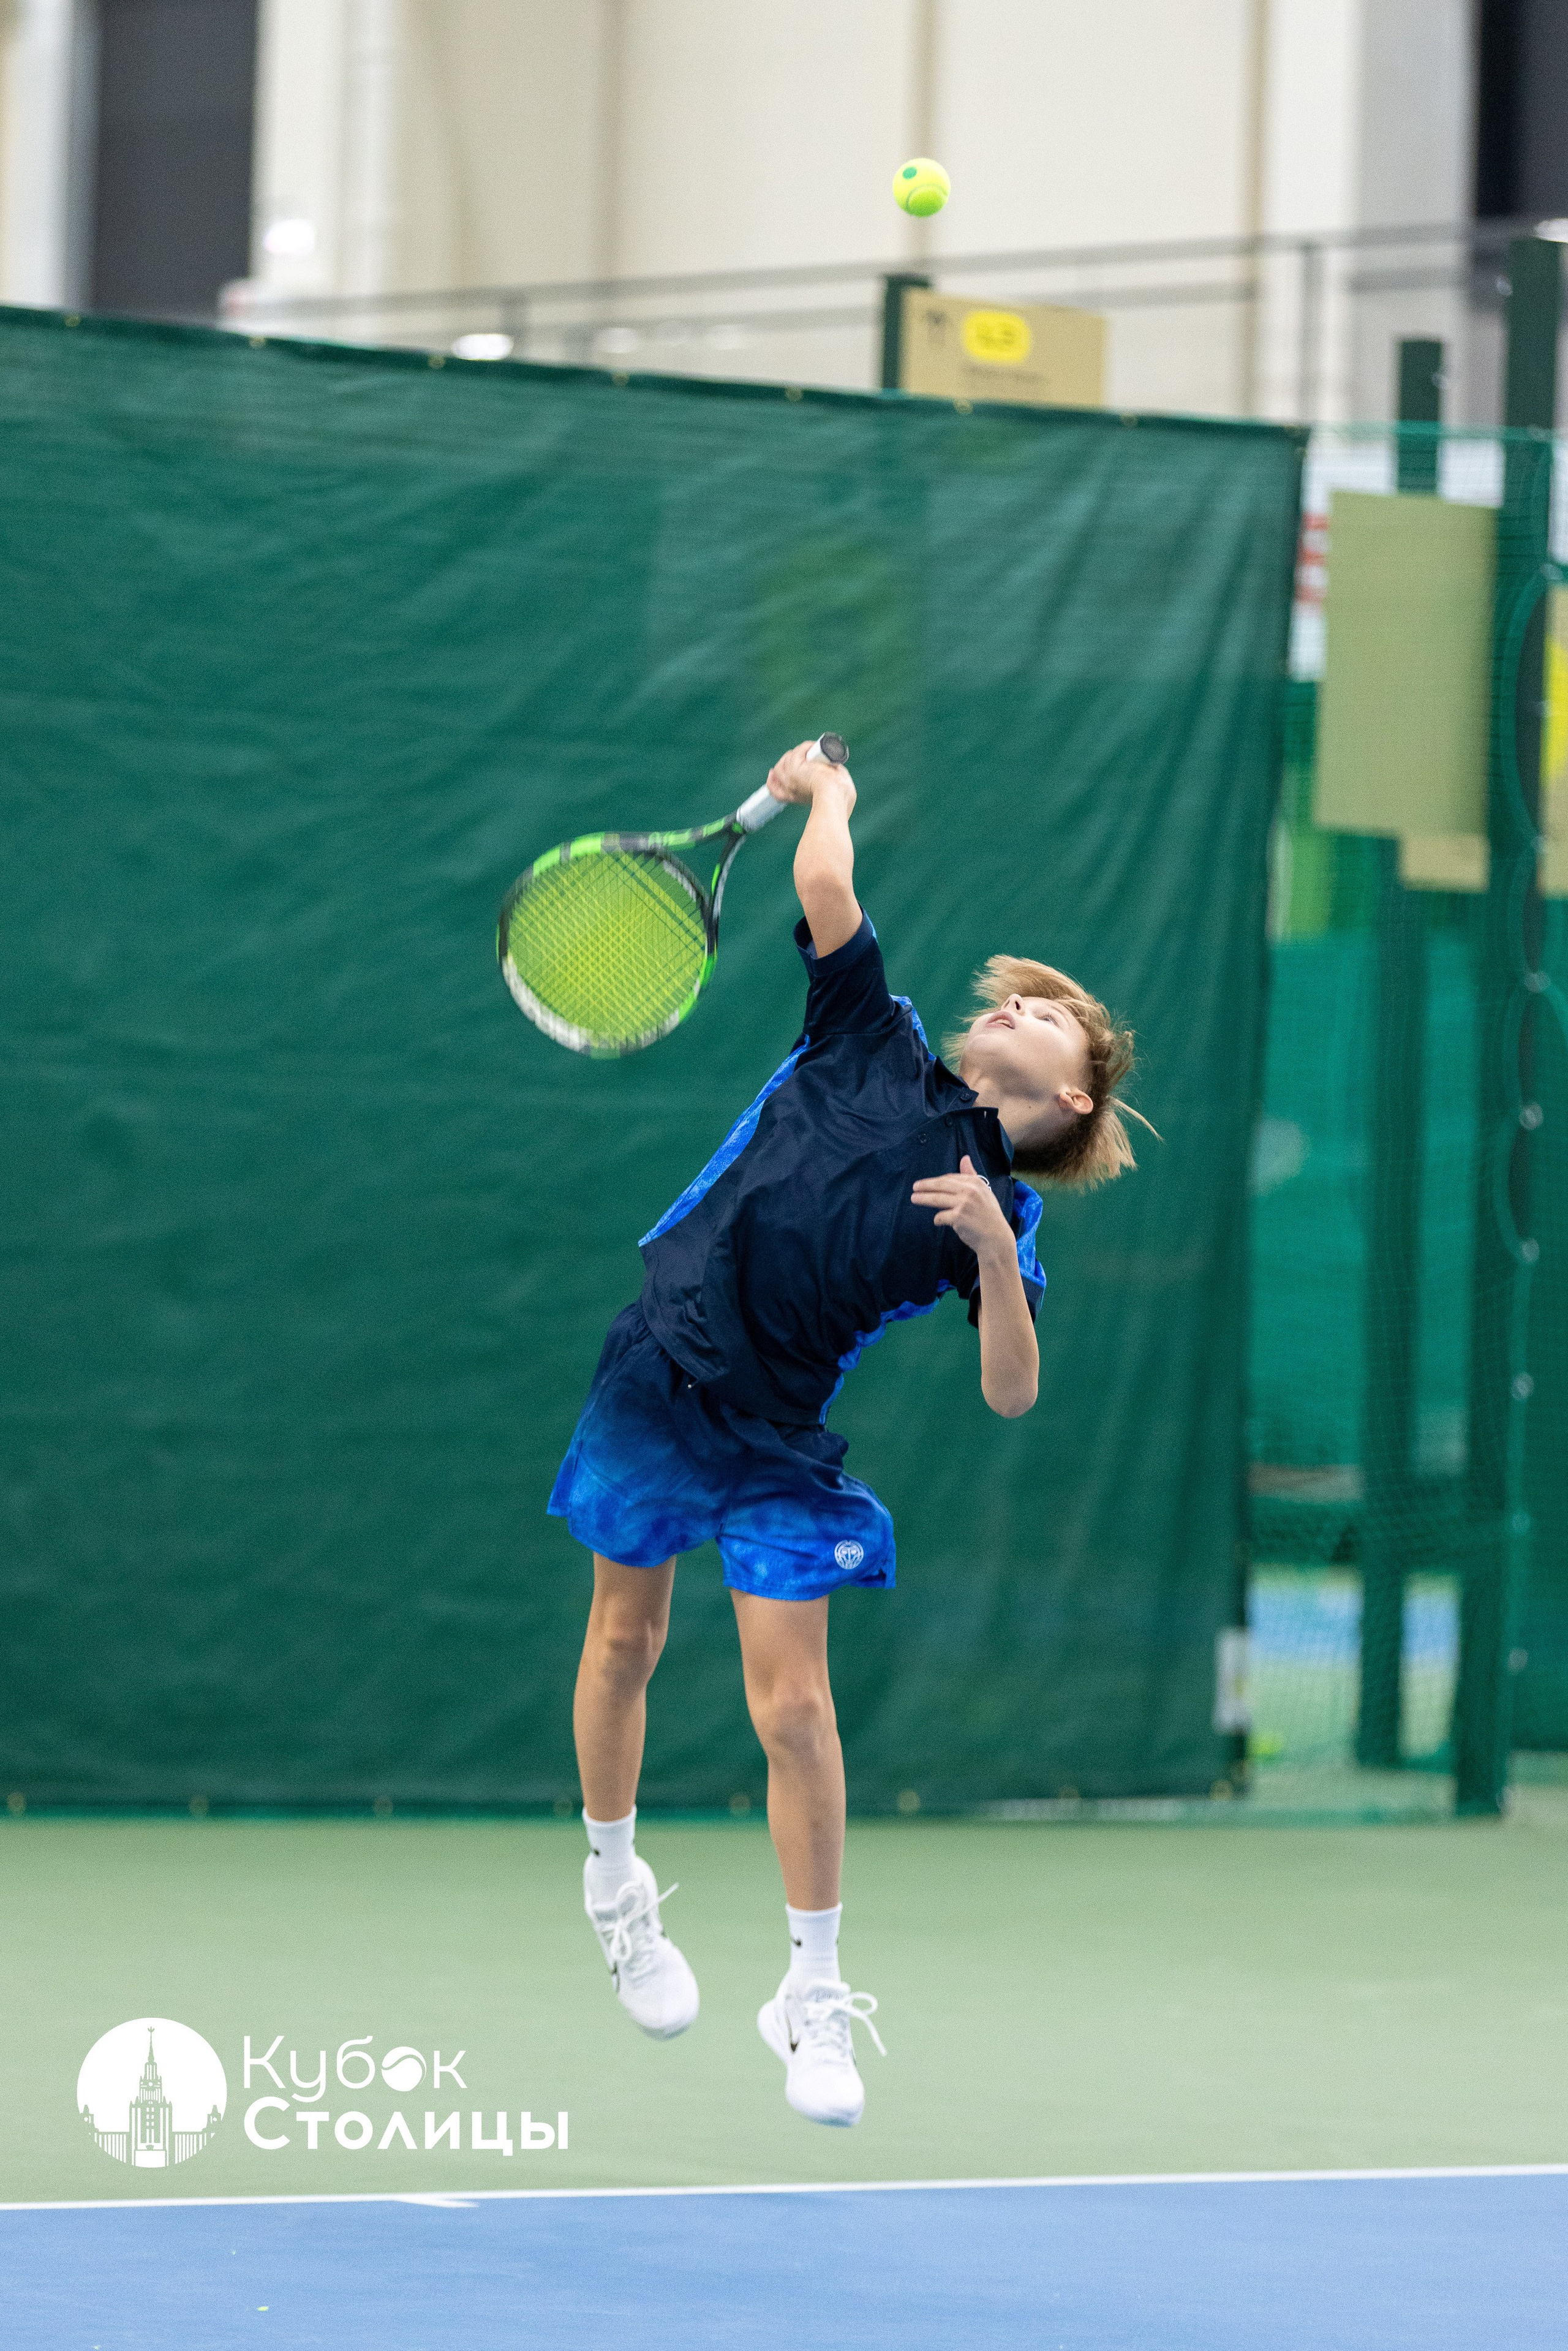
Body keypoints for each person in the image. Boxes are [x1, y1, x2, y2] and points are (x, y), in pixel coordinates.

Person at [549, 738, 1137, 2127]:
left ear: (1063, 1103)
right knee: (624, 1639)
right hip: (662, 1361)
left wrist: (998, 1257)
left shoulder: (1003, 1209)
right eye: (1019, 1007)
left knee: (793, 1706)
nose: (1017, 1012)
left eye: (1044, 1023)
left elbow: (1011, 1389)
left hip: (775, 1433)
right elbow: (824, 877)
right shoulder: (868, 1026)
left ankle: (810, 1989)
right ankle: (614, 1885)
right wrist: (825, 790)